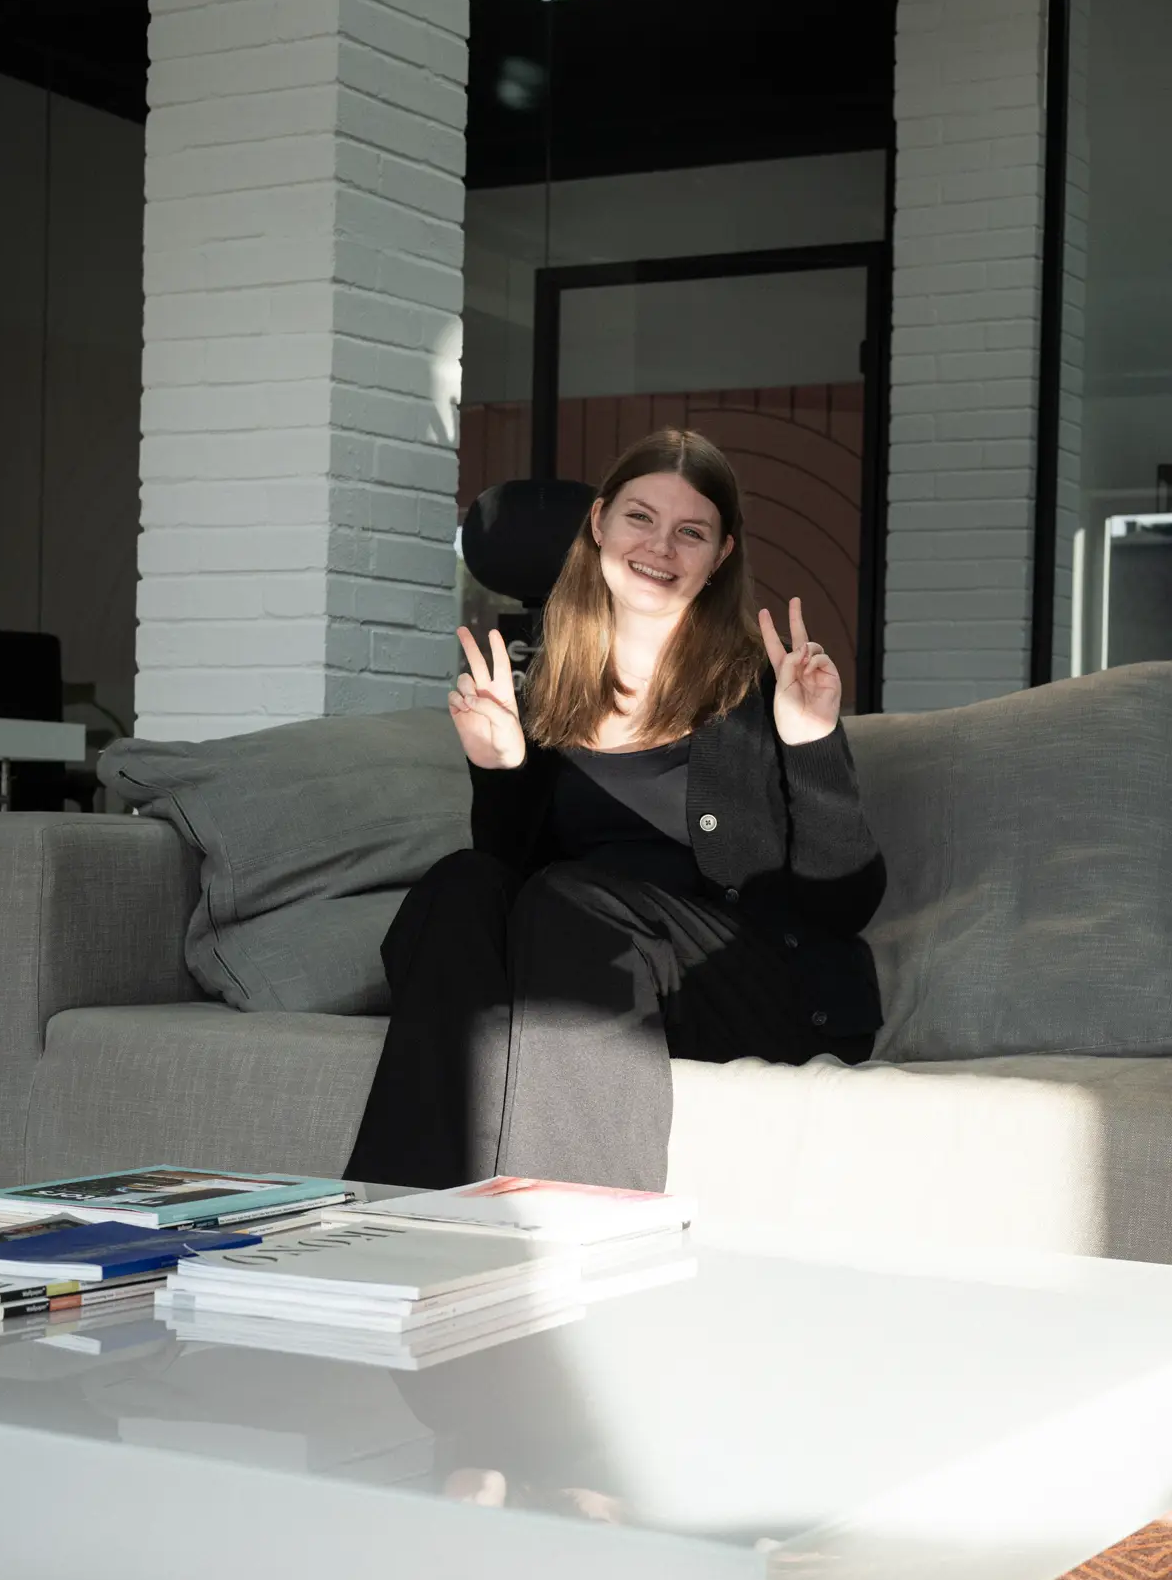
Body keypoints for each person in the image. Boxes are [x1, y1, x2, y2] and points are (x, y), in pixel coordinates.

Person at [344, 427, 885, 1195]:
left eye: (690, 532)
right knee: (459, 884)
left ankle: (584, 1215)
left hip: (743, 984)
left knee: (572, 900)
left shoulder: (766, 690)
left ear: (720, 555)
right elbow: (508, 888)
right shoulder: (551, 692)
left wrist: (812, 742)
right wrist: (502, 771)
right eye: (640, 518)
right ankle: (410, 1206)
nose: (660, 546)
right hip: (586, 968)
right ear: (599, 523)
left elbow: (843, 905)